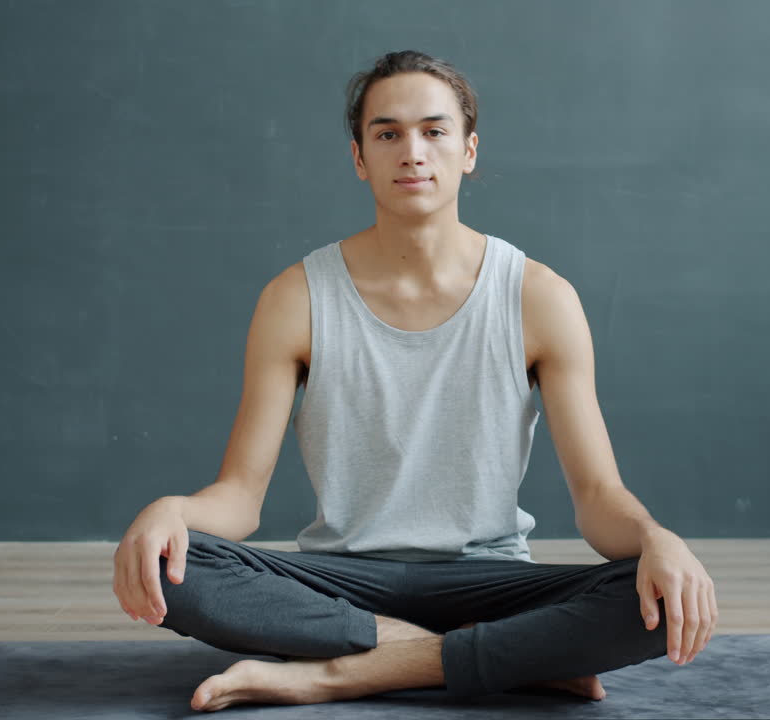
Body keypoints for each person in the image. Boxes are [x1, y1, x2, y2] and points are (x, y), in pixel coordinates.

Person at [112, 49, 718, 711]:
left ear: (469, 151)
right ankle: (498, 655)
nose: (413, 152)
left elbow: (600, 496)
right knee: (179, 570)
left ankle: (340, 672)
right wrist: (172, 511)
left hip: (487, 579)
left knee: (655, 591)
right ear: (359, 157)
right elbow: (240, 498)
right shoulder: (295, 298)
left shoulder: (539, 297)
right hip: (340, 580)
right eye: (388, 133)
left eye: (434, 131)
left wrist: (658, 538)